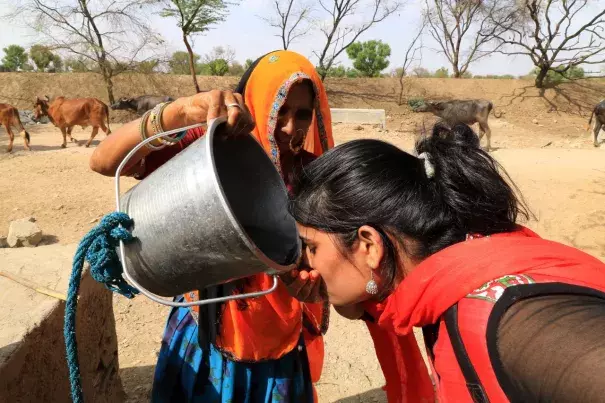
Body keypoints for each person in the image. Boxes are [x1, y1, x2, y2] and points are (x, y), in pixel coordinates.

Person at [288, 123, 605, 402]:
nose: (307, 262)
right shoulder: (462, 261)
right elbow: (370, 303)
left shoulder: (505, 323)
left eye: (312, 247)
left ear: (369, 245)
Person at [89, 50, 333, 402]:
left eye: (302, 114)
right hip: (206, 329)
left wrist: (312, 283)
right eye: (279, 109)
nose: (289, 128)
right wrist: (176, 112)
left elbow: (328, 259)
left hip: (278, 337)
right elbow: (103, 161)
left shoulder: (314, 176)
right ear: (254, 103)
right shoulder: (212, 150)